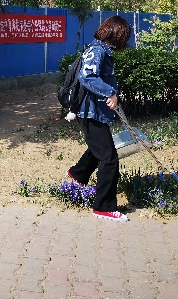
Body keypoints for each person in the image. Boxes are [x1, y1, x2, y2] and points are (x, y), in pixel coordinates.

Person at [67, 15, 132, 222]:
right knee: (109, 158)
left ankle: (78, 174)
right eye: (125, 35)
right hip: (91, 112)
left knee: (99, 149)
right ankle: (104, 207)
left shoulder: (100, 49)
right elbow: (87, 76)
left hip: (94, 111)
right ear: (117, 33)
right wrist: (110, 93)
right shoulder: (98, 50)